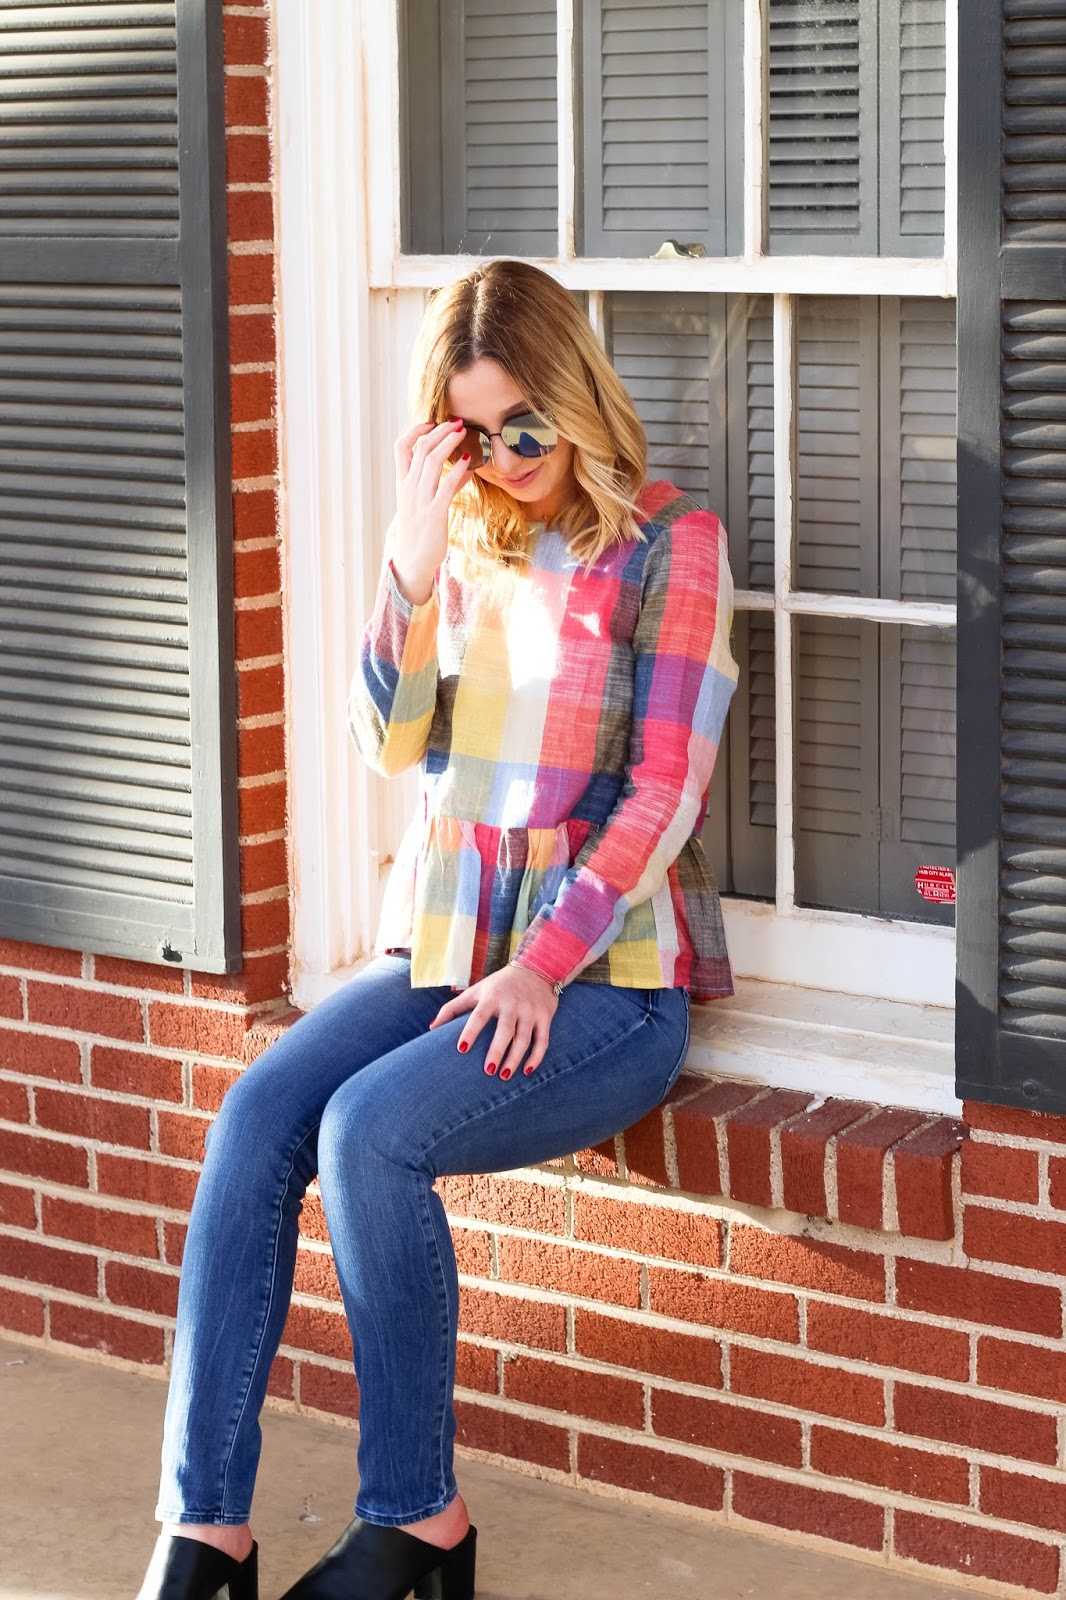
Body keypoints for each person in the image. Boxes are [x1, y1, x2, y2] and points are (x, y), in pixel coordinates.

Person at [135, 258, 739, 1600]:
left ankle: (418, 1522)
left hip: (603, 981)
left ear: (577, 397)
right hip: (444, 949)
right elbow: (388, 743)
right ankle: (203, 1530)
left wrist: (541, 963)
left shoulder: (668, 545)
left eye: (528, 426)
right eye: (475, 436)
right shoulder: (460, 543)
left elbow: (664, 790)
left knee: (369, 1130)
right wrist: (406, 567)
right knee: (255, 1120)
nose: (507, 461)